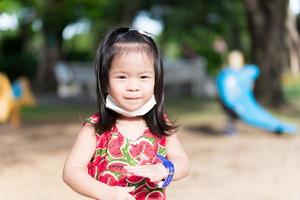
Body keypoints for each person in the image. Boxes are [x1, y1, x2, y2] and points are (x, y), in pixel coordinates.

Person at [62, 27, 190, 200]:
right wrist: (106, 192)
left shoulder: (160, 124)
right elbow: (71, 171)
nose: (133, 86)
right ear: (105, 81)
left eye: (143, 77)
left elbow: (183, 162)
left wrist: (165, 169)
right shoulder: (96, 128)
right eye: (122, 77)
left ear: (156, 81)